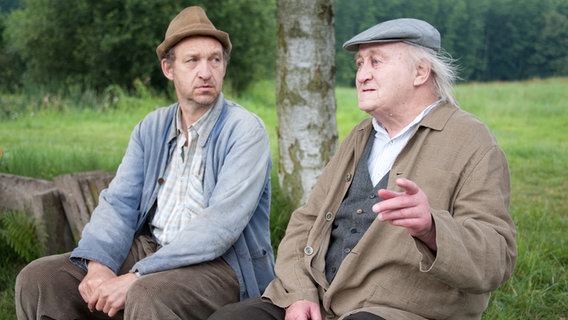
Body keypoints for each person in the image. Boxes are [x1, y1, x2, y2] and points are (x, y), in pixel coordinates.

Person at [208, 18, 517, 320]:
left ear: (420, 72)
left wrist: (433, 229)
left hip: (396, 309)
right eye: (359, 64)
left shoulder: (471, 141)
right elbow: (306, 221)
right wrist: (299, 292)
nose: (362, 75)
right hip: (316, 299)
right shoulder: (361, 135)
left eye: (376, 62)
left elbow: (498, 258)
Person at [15, 6, 275, 320]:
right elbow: (119, 203)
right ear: (169, 68)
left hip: (222, 266)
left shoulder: (245, 130)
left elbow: (219, 227)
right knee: (40, 278)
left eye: (214, 59)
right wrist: (99, 267)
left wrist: (138, 275)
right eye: (192, 60)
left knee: (147, 293)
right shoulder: (151, 127)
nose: (205, 72)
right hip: (152, 249)